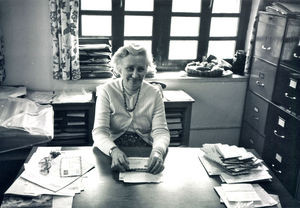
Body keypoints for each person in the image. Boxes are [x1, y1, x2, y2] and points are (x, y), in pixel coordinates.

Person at [92, 43, 170, 175]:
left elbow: (161, 131)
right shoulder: (106, 91)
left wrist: (158, 151)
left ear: (146, 69)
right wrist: (113, 150)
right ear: (119, 69)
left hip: (146, 149)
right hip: (111, 148)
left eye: (140, 69)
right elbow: (99, 132)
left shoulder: (154, 93)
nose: (135, 75)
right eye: (129, 68)